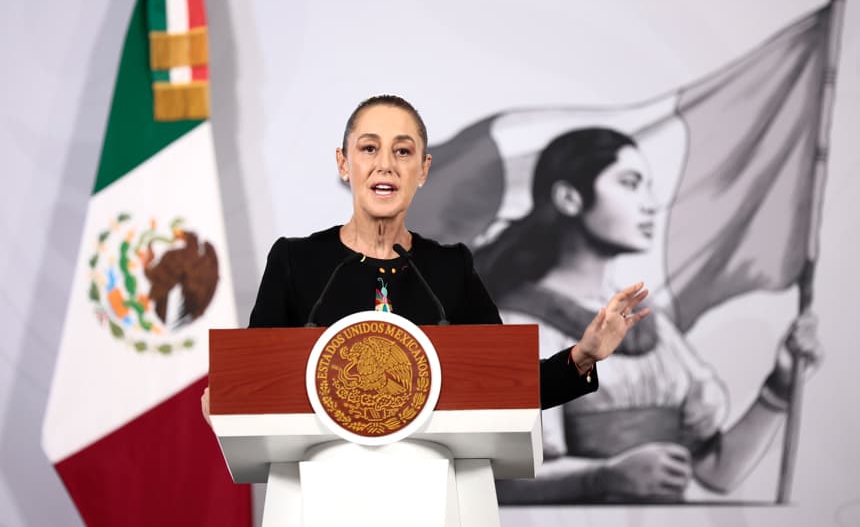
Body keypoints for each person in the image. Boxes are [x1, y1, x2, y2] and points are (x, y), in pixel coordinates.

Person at [201, 95, 650, 423]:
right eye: (368, 148)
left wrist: (584, 356)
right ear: (343, 164)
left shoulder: (449, 268)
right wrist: (226, 401)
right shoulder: (296, 262)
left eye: (403, 151)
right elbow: (255, 382)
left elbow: (506, 386)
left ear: (423, 170)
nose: (386, 165)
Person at [475, 127, 823, 503]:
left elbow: (716, 472)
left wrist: (780, 387)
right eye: (630, 183)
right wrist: (603, 478)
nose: (650, 203)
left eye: (648, 186)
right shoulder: (513, 325)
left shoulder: (653, 329)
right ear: (569, 198)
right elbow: (501, 480)